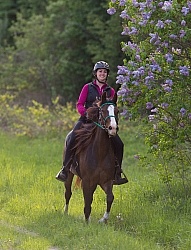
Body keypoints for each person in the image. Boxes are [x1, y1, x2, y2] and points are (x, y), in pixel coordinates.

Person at [56, 61, 128, 185]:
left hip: (103, 124)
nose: (102, 73)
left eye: (105, 72)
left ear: (107, 75)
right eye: (100, 71)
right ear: (95, 73)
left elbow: (112, 108)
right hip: (86, 120)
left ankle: (117, 173)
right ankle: (65, 169)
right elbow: (79, 104)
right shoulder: (87, 87)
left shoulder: (110, 91)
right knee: (71, 137)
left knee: (119, 144)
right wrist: (85, 113)